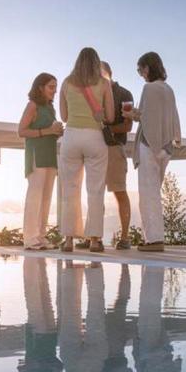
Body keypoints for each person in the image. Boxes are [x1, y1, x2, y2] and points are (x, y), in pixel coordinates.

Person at [123, 52, 181, 252]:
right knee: (155, 192)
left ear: (148, 67)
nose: (140, 74)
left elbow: (146, 118)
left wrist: (131, 115)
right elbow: (171, 116)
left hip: (150, 145)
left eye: (140, 69)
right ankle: (154, 238)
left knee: (148, 194)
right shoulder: (169, 89)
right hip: (166, 146)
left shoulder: (149, 88)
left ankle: (154, 240)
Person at [58, 48, 115, 253]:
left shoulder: (66, 83)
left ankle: (68, 240)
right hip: (94, 137)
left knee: (70, 189)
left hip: (71, 137)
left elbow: (64, 116)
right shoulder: (104, 83)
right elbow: (109, 116)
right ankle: (94, 240)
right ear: (96, 63)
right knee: (95, 189)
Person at [18, 73, 63, 250]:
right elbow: (21, 131)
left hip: (50, 156)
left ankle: (41, 236)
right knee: (35, 196)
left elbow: (50, 131)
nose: (55, 91)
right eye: (51, 87)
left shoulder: (51, 109)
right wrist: (47, 131)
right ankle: (30, 238)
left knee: (46, 198)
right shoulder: (32, 105)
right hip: (36, 155)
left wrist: (58, 131)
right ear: (40, 88)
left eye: (55, 87)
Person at [100, 61, 134, 250]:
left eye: (101, 73)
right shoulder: (93, 94)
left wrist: (106, 129)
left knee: (119, 191)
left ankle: (125, 237)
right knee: (95, 194)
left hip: (114, 147)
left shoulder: (125, 95)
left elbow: (128, 126)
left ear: (110, 73)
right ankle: (94, 237)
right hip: (94, 150)